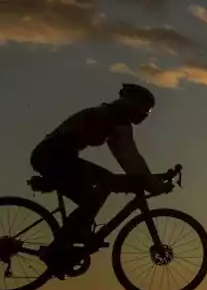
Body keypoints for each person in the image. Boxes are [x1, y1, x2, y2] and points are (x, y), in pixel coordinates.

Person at [30, 83, 171, 255]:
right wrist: (153, 184)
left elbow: (127, 160)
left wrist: (148, 179)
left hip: (52, 155)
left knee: (103, 185)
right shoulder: (117, 119)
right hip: (55, 156)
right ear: (132, 103)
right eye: (145, 111)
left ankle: (71, 237)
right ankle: (60, 246)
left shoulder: (110, 115)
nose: (145, 116)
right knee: (97, 193)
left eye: (148, 113)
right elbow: (131, 159)